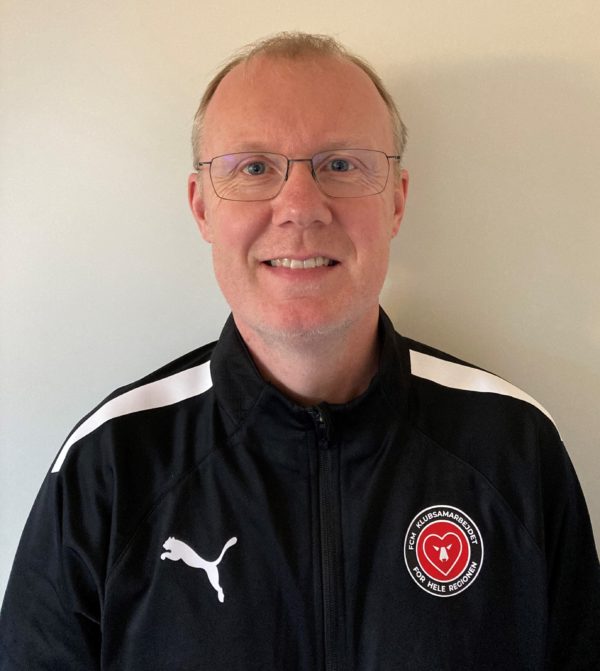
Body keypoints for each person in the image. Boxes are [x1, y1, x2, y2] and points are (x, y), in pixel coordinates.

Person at [1, 31, 598, 671]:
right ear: (202, 209)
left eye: (340, 165)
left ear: (396, 200)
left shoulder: (514, 448)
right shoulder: (109, 465)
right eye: (254, 168)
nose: (300, 208)